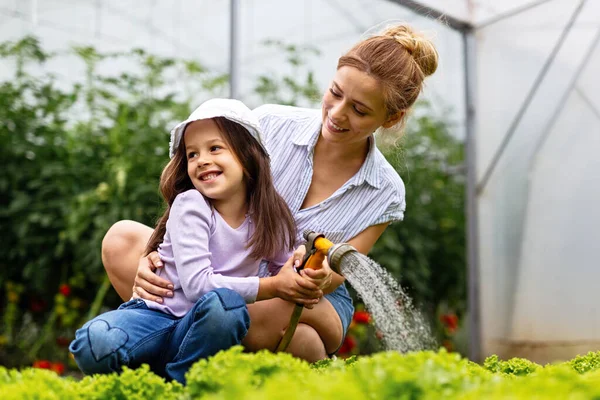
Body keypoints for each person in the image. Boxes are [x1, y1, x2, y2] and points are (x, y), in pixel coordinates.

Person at [101, 23, 439, 362]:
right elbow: (194, 189)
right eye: (335, 93)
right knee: (122, 241)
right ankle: (220, 348)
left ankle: (183, 352)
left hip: (301, 295)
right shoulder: (270, 124)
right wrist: (154, 254)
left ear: (391, 117)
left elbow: (337, 275)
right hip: (217, 265)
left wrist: (316, 276)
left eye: (360, 110)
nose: (337, 114)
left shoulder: (385, 191)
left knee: (249, 315)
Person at [69, 98, 326, 384]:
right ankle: (170, 373)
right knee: (93, 343)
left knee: (226, 307)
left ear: (248, 155)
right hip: (155, 317)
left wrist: (301, 272)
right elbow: (197, 285)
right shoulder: (191, 204)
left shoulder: (269, 217)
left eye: (215, 148)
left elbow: (283, 268)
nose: (201, 159)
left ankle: (176, 383)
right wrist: (275, 286)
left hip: (209, 328)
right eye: (192, 154)